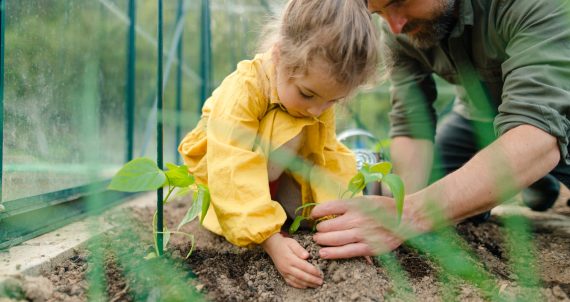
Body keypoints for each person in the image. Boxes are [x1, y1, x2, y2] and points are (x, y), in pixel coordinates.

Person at [310, 0, 570, 259]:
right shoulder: (399, 29)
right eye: (379, 13)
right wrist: (400, 212)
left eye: (401, 3)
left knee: (533, 153)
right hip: (477, 118)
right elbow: (412, 124)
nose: (395, 26)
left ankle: (536, 173)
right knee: (436, 190)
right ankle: (535, 178)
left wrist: (412, 214)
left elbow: (538, 132)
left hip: (555, 118)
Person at [178, 0, 378, 288]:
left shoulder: (318, 102)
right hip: (227, 182)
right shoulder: (244, 90)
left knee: (319, 203)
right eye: (307, 94)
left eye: (333, 100)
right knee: (242, 215)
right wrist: (270, 240)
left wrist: (342, 220)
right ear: (279, 55)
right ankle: (260, 221)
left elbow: (326, 158)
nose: (317, 110)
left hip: (279, 175)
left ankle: (278, 211)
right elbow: (232, 167)